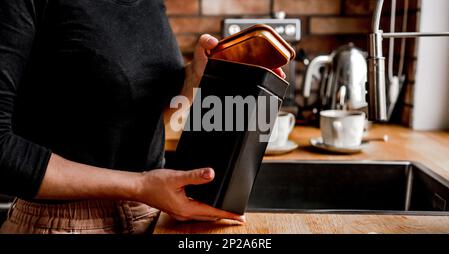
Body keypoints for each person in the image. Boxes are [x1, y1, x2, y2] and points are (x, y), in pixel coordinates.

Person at [0, 0, 285, 234]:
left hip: (152, 218)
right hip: (63, 224)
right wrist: (141, 185)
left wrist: (197, 77)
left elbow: (135, 114)